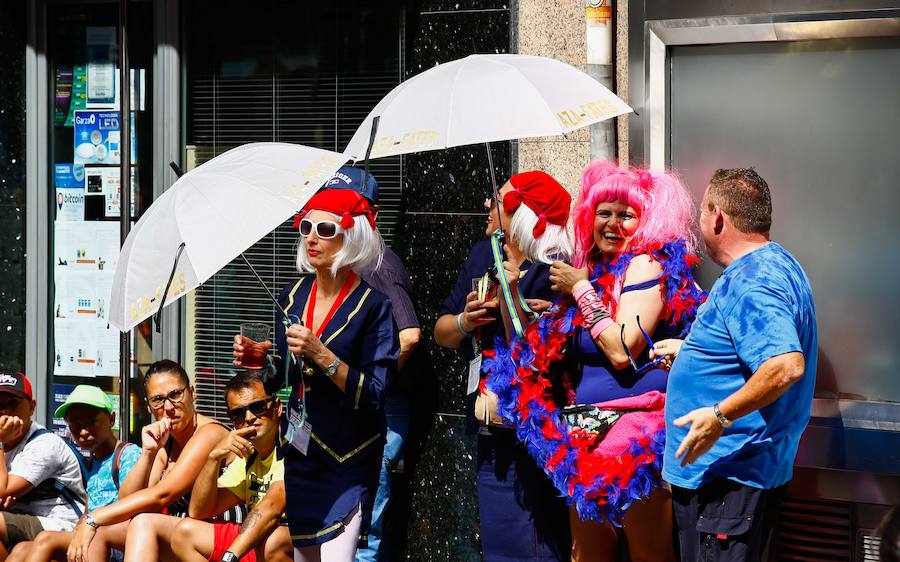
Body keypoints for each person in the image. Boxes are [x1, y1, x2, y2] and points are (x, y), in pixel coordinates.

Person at [486, 161, 704, 562]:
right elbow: (529, 353)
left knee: (649, 555)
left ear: (647, 221)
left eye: (627, 215)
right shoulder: (598, 273)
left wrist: (581, 288)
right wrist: (512, 295)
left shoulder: (647, 265)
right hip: (586, 439)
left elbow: (623, 349)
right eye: (605, 212)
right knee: (587, 556)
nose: (613, 223)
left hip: (638, 439)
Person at [652, 168, 817, 562]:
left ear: (718, 217)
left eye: (702, 213)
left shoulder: (753, 280)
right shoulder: (777, 263)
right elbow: (751, 346)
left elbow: (784, 365)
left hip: (727, 483)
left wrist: (718, 417)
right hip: (734, 481)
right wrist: (694, 351)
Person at [233, 188, 398, 561]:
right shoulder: (292, 296)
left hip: (348, 456)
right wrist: (261, 360)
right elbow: (286, 376)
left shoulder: (374, 307)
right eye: (305, 226)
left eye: (324, 228)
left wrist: (322, 354)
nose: (310, 236)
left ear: (351, 236)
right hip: (302, 452)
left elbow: (374, 394)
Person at [433, 170, 573, 561]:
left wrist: (513, 296)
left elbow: (531, 352)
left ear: (523, 212)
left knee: (541, 540)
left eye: (498, 197)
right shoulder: (483, 253)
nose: (487, 205)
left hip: (539, 424)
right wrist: (465, 321)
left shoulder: (556, 270)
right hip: (491, 420)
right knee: (500, 540)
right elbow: (441, 332)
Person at [322, 167, 422, 562]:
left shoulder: (378, 264)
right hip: (347, 413)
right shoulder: (343, 267)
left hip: (379, 413)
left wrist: (370, 382)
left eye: (343, 212)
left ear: (369, 217)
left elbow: (410, 334)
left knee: (362, 527)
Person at [66, 360, 230, 562]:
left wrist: (91, 518)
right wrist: (148, 453)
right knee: (102, 532)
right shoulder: (166, 441)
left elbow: (162, 495)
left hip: (221, 533)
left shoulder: (209, 433)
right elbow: (128, 498)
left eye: (175, 395)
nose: (169, 407)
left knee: (142, 523)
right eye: (158, 400)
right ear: (149, 406)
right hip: (181, 533)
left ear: (192, 393)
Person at [7, 385, 140, 562]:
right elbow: (89, 506)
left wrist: (89, 526)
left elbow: (132, 503)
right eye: (75, 425)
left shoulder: (128, 454)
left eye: (92, 422)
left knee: (46, 540)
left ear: (112, 419)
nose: (83, 432)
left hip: (115, 541)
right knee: (21, 549)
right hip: (90, 534)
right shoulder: (93, 462)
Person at [171, 371, 291, 562]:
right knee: (183, 534)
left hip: (301, 544)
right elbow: (199, 511)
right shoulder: (248, 455)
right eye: (238, 413)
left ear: (276, 407)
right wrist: (213, 458)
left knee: (273, 542)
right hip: (260, 543)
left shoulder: (291, 446)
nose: (249, 417)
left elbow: (272, 505)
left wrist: (229, 556)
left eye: (259, 407)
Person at [0, 372, 87, 560]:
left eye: (13, 404)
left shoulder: (45, 444)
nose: (5, 411)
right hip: (21, 522)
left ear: (31, 407)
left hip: (61, 525)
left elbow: (3, 488)